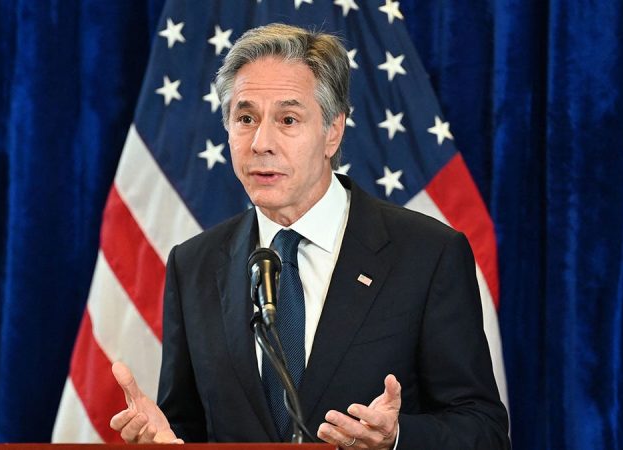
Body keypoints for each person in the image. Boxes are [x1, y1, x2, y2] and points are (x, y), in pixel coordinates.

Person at [109, 23, 509, 449]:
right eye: (245, 118)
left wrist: (396, 439)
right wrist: (165, 440)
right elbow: (187, 425)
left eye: (288, 119)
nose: (261, 143)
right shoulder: (194, 265)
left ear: (332, 131)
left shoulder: (428, 255)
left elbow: (483, 430)